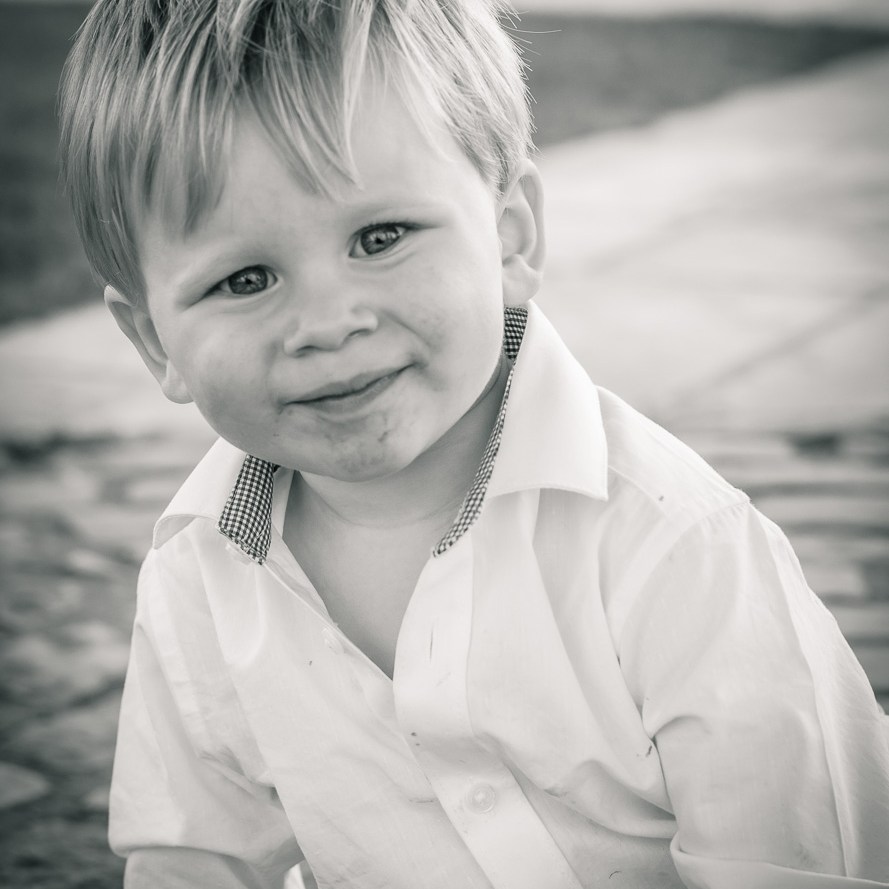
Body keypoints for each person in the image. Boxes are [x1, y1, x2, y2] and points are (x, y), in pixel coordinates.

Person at [58, 1, 889, 887]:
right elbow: (192, 862)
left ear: (509, 236)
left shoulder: (670, 544)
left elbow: (792, 858)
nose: (328, 322)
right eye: (244, 279)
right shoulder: (198, 577)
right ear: (153, 341)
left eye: (379, 238)